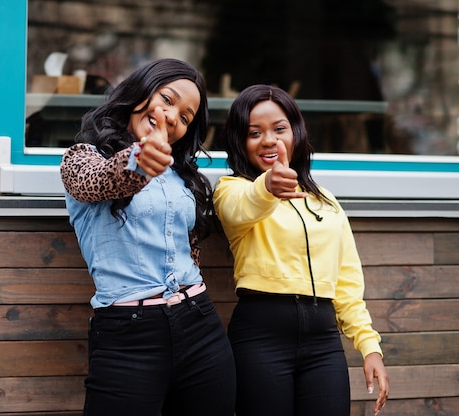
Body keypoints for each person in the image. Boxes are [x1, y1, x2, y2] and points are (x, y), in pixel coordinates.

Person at [60, 58, 236, 416]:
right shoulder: (81, 159)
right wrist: (141, 159)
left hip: (199, 323)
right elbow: (102, 180)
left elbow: (187, 249)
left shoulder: (182, 176)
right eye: (168, 100)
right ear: (141, 89)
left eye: (186, 117)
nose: (173, 117)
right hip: (128, 337)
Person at [212, 84, 389, 416]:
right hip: (260, 337)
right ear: (239, 141)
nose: (269, 140)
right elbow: (243, 207)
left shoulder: (325, 199)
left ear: (295, 132)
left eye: (279, 129)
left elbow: (347, 282)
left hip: (323, 342)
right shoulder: (231, 189)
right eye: (254, 132)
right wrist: (268, 185)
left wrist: (369, 348)